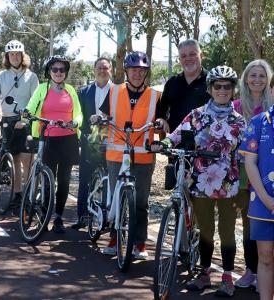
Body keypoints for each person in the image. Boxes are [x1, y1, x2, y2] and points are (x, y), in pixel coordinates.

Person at [153, 66, 246, 297]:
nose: (223, 90)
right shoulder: (197, 115)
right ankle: (204, 273)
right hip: (200, 183)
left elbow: (246, 155)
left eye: (228, 86)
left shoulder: (239, 121)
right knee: (205, 230)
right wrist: (162, 145)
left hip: (228, 185)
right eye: (218, 86)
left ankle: (226, 277)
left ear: (233, 90)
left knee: (226, 231)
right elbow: (175, 136)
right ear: (210, 89)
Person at [93, 51, 165, 259]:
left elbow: (161, 125)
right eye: (133, 70)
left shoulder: (155, 96)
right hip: (116, 155)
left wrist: (161, 125)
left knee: (141, 202)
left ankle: (139, 243)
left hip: (143, 156)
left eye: (141, 71)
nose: (137, 74)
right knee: (116, 199)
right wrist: (98, 120)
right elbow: (104, 117)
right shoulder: (114, 91)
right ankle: (115, 237)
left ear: (146, 73)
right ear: (126, 71)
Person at [25, 55, 83, 234]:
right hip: (48, 138)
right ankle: (44, 215)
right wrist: (26, 114)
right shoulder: (42, 89)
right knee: (47, 179)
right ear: (49, 72)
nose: (58, 73)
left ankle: (58, 217)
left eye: (62, 70)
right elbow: (31, 106)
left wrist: (75, 122)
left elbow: (79, 113)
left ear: (65, 72)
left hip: (68, 138)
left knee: (64, 180)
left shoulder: (71, 90)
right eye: (55, 69)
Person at [233, 59, 274, 290]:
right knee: (249, 224)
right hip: (243, 173)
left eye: (262, 75)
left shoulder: (270, 108)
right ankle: (252, 269)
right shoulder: (237, 106)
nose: (257, 79)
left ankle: (264, 272)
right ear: (246, 79)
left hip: (266, 169)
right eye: (253, 75)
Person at [0, 40, 39, 208]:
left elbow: (35, 101)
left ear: (23, 56)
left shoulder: (31, 76)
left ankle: (28, 195)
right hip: (8, 121)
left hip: (25, 121)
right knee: (15, 160)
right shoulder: (0, 76)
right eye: (12, 55)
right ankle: (17, 195)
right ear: (7, 57)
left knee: (28, 160)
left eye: (18, 54)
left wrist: (25, 121)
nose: (15, 57)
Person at [156, 39, 211, 189]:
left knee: (200, 199)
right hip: (178, 149)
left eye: (193, 54)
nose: (188, 58)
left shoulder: (212, 82)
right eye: (184, 56)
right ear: (179, 59)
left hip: (205, 151)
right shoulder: (172, 83)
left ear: (201, 55)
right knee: (179, 196)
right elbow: (160, 114)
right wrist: (162, 122)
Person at [71, 57, 113, 230]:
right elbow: (79, 115)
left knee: (111, 180)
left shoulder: (118, 91)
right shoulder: (84, 92)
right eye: (99, 68)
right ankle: (82, 216)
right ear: (94, 70)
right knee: (85, 179)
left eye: (105, 68)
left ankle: (110, 218)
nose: (102, 71)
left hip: (111, 141)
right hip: (90, 141)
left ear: (111, 69)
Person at [239, 99, 274, 300]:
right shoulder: (259, 122)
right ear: (271, 90)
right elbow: (250, 163)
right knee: (266, 257)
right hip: (262, 202)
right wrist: (267, 199)